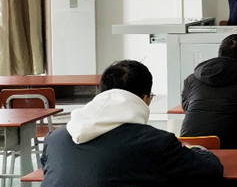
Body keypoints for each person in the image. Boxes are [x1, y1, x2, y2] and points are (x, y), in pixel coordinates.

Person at [41, 60, 223, 186]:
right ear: (144, 98)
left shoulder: (55, 139)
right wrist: (197, 150)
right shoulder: (154, 142)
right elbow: (210, 171)